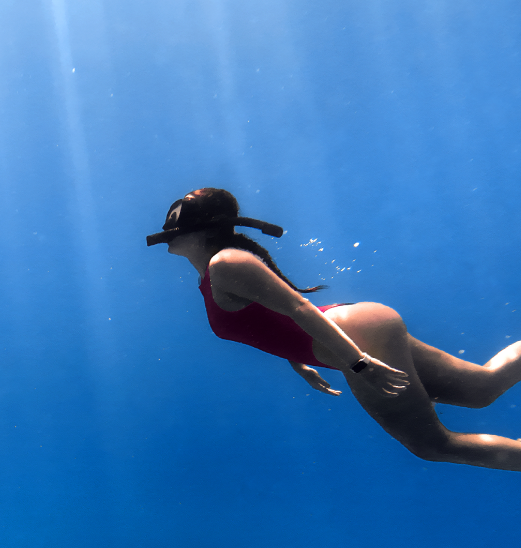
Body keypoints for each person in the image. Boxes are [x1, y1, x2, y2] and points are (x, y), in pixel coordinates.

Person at [151, 187, 521, 470]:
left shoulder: (225, 264)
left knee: (433, 445)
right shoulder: (214, 271)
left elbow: (298, 307)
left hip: (357, 339)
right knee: (481, 387)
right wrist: (298, 360)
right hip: (358, 328)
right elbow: (269, 318)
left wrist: (359, 363)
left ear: (202, 229)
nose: (168, 229)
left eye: (176, 220)